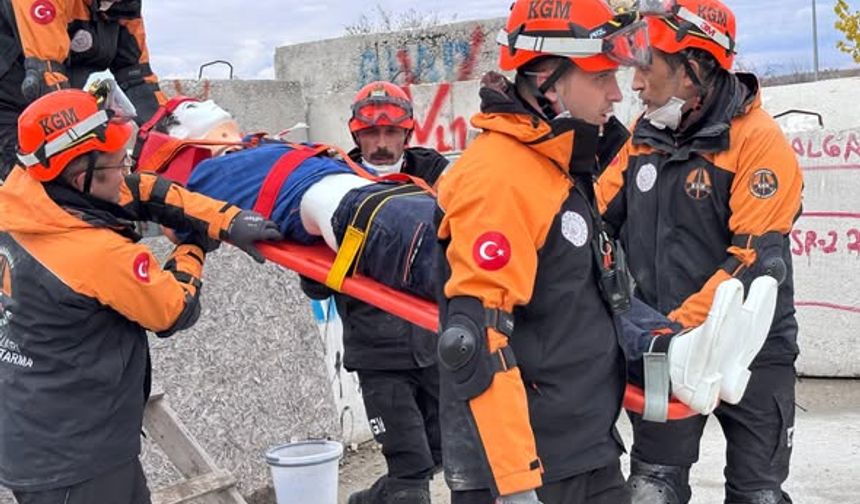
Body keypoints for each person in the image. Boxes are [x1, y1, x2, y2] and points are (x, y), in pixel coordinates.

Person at [0, 83, 281, 504]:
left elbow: (144, 190)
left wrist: (224, 217)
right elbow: (173, 309)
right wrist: (194, 246)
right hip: (77, 460)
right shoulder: (93, 253)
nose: (127, 169)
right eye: (117, 163)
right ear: (83, 175)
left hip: (41, 429)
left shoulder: (29, 194)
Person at [595, 1, 803, 502]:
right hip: (666, 352)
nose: (636, 85)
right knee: (652, 489)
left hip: (753, 352)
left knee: (759, 494)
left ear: (693, 69)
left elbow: (754, 259)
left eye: (647, 67)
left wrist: (677, 332)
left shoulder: (759, 142)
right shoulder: (641, 140)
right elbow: (592, 221)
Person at [302, 81, 449, 504]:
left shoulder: (440, 181)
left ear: (408, 133)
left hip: (439, 344)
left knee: (441, 454)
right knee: (410, 474)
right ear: (356, 135)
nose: (381, 144)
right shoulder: (333, 183)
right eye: (371, 134)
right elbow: (314, 278)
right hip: (378, 351)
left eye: (391, 134)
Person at [0, 0, 167, 180]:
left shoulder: (123, 8)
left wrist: (167, 130)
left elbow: (137, 77)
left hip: (61, 99)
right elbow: (46, 76)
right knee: (33, 183)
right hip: (9, 105)